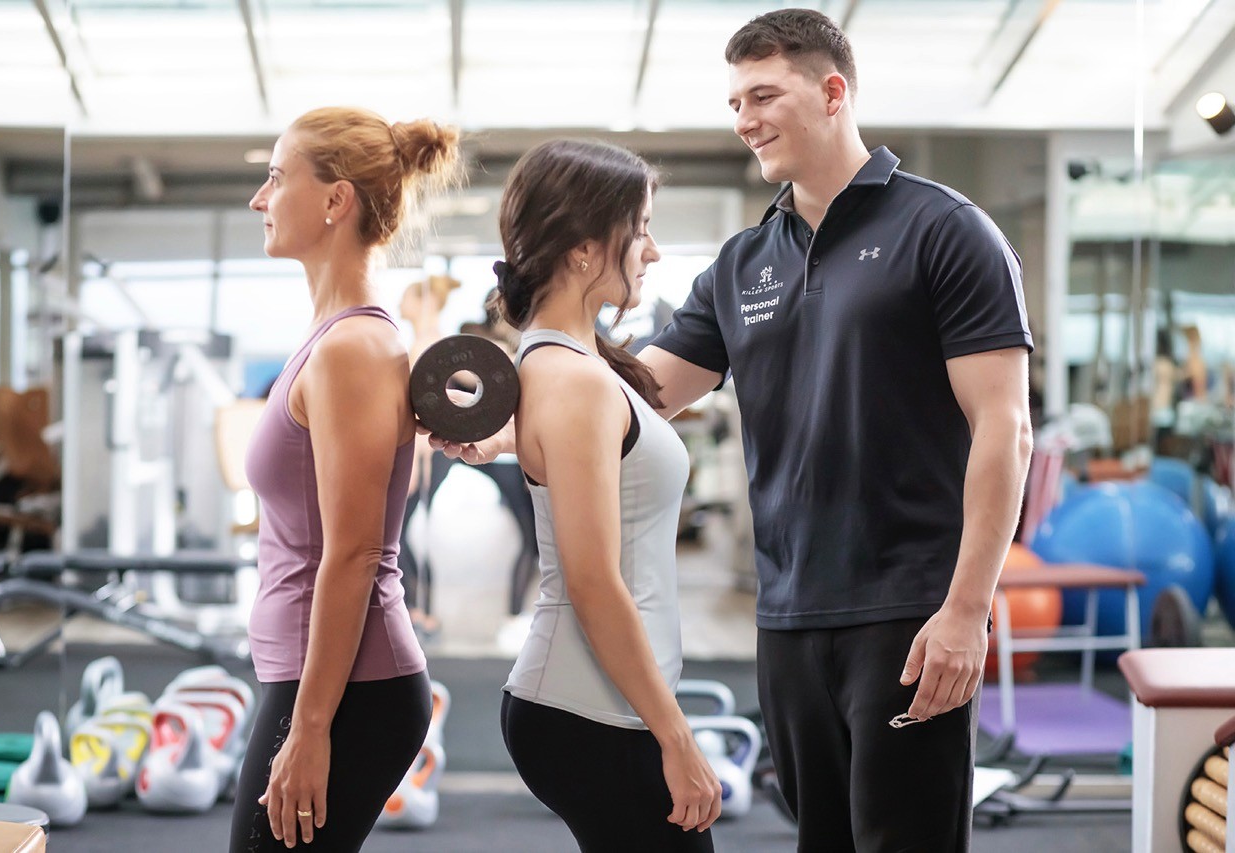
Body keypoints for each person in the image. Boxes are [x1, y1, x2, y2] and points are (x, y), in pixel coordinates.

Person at [434, 9, 1033, 851]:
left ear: (833, 92)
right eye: (734, 102)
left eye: (763, 94)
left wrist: (968, 608)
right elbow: (630, 399)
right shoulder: (744, 263)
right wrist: (496, 432)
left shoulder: (945, 231)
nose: (745, 118)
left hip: (907, 612)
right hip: (786, 621)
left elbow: (1006, 427)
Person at [231, 106, 458, 853]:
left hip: (345, 689)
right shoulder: (333, 340)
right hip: (318, 679)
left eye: (274, 177)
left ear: (335, 201)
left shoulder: (354, 349)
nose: (259, 199)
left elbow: (355, 553)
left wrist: (310, 728)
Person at [494, 138, 723, 851]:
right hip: (593, 709)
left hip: (595, 701)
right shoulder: (574, 379)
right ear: (587, 250)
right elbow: (595, 582)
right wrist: (675, 736)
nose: (652, 251)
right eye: (642, 227)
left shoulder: (575, 365)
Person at [397, 274, 462, 638]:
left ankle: (418, 609)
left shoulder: (427, 342)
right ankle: (417, 609)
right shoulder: (425, 340)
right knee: (404, 531)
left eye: (405, 297)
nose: (399, 304)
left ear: (423, 301)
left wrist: (415, 466)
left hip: (424, 454)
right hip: (424, 453)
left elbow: (428, 409)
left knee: (400, 532)